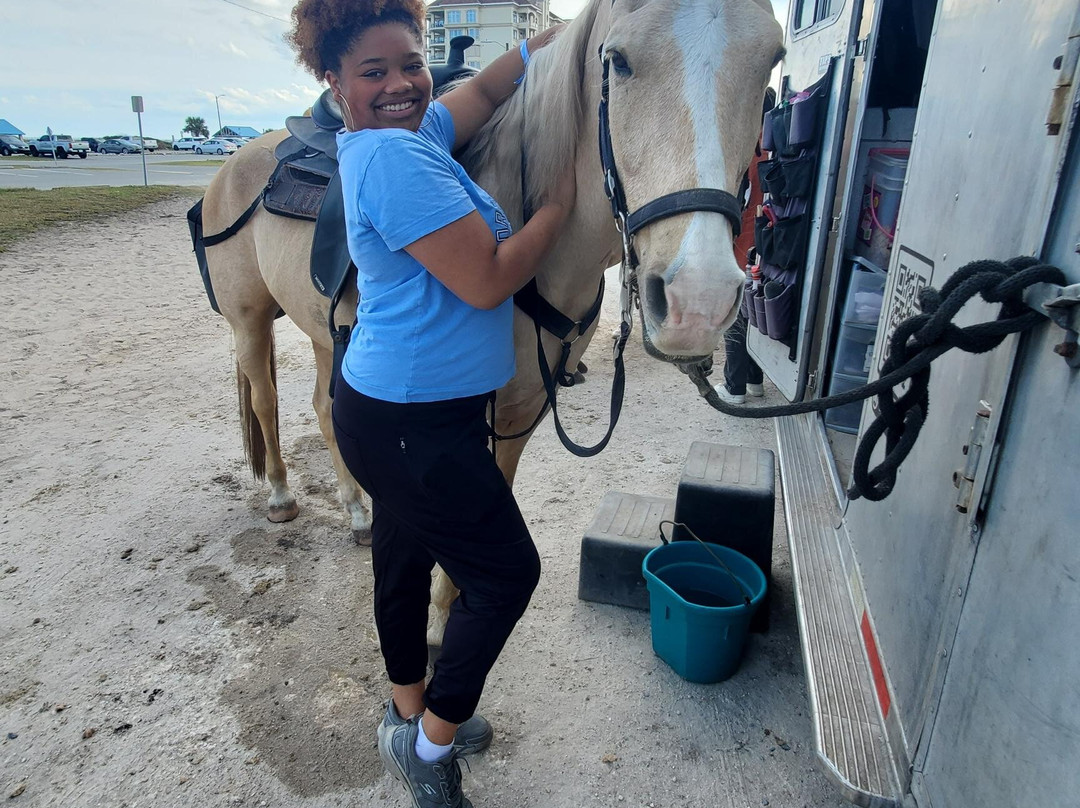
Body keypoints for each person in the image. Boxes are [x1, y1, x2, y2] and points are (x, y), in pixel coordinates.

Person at [286, 2, 571, 807]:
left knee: (403, 563)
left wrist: (560, 43)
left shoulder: (412, 140)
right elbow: (486, 278)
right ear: (337, 83)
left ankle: (409, 714)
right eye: (373, 72)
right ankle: (431, 749)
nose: (401, 84)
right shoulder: (394, 162)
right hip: (412, 422)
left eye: (410, 63)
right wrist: (560, 207)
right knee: (510, 575)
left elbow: (476, 94)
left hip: (394, 410)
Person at [715, 88, 776, 405]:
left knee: (736, 316)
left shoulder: (748, 151)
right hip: (772, 248)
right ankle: (755, 380)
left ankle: (734, 387)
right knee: (756, 315)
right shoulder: (779, 148)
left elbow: (736, 204)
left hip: (744, 246)